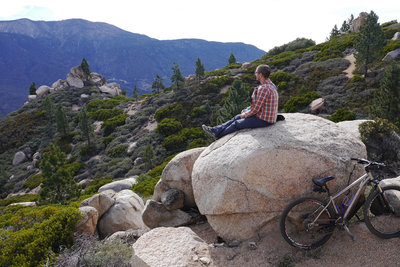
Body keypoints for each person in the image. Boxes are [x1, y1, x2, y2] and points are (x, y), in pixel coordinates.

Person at [202, 64, 279, 139]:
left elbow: (255, 109)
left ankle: (218, 136)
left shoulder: (264, 88)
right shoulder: (271, 85)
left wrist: (244, 114)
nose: (255, 74)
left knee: (237, 123)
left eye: (256, 73)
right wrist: (247, 110)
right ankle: (215, 130)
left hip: (264, 120)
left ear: (260, 75)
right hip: (265, 116)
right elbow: (258, 105)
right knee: (237, 117)